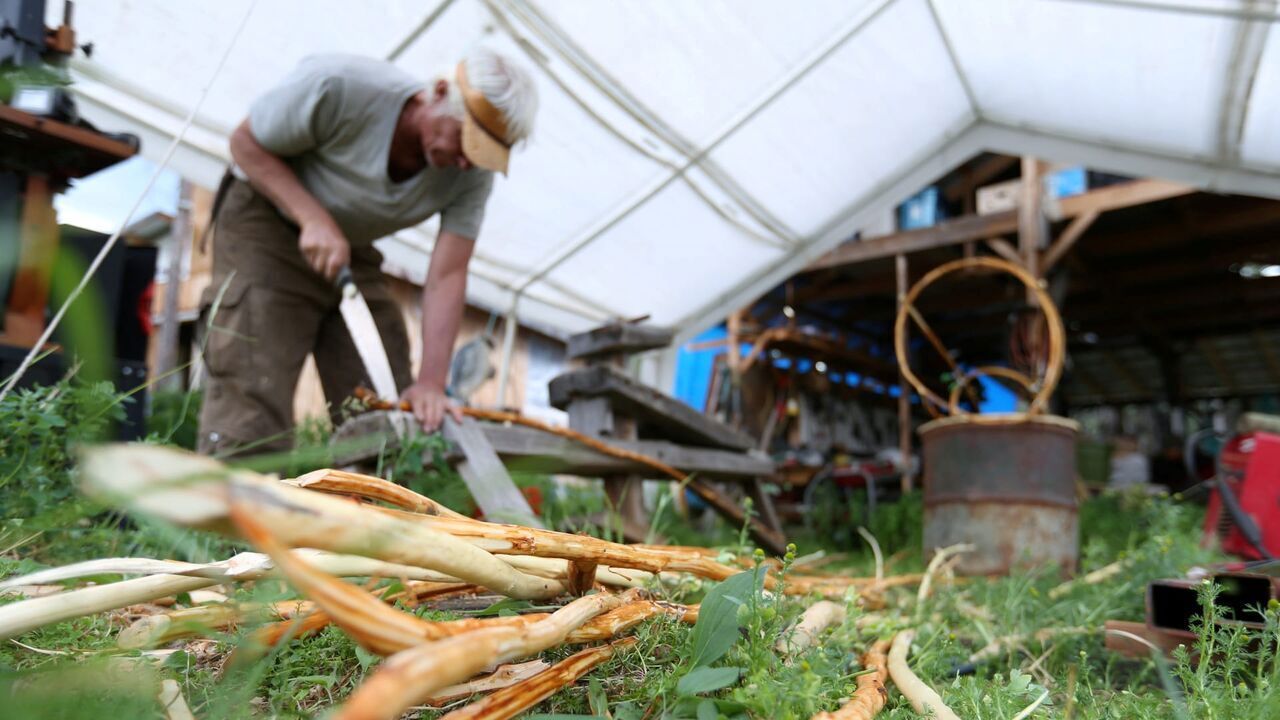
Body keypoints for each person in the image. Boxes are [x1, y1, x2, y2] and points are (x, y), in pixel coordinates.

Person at [196, 49, 538, 456]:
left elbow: (448, 274)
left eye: (482, 155)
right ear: (440, 92)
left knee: (386, 405)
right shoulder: (342, 86)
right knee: (253, 382)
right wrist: (311, 217)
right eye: (467, 142)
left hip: (349, 247)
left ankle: (368, 505)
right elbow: (245, 143)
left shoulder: (471, 174)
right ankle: (233, 505)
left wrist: (431, 382)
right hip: (265, 223)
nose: (467, 163)